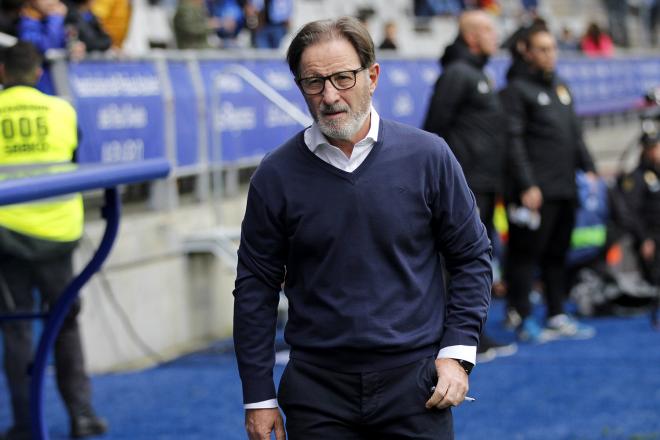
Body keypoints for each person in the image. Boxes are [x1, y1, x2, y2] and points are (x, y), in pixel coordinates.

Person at [233, 16, 492, 440]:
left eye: (342, 77)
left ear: (372, 76)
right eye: (314, 82)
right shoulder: (274, 175)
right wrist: (259, 399)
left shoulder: (429, 156)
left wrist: (457, 354)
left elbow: (471, 257)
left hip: (416, 387)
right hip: (316, 391)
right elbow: (255, 289)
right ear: (299, 87)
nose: (330, 96)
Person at [0, 41, 107, 440]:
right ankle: (81, 414)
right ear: (39, 73)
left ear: (3, 73)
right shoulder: (61, 110)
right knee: (64, 324)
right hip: (58, 234)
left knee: (16, 331)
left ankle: (26, 423)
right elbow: (77, 157)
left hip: (6, 237)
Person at [423, 10, 516, 361]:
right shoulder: (457, 75)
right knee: (462, 262)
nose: (497, 36)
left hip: (486, 183)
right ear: (473, 36)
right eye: (491, 30)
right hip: (465, 185)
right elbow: (433, 129)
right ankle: (459, 339)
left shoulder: (478, 72)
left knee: (480, 260)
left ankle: (475, 334)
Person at [500, 26, 598, 342]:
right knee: (526, 256)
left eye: (553, 48)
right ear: (527, 52)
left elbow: (574, 133)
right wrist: (527, 184)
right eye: (542, 49)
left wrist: (590, 168)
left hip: (565, 187)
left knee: (558, 254)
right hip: (535, 192)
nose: (549, 54)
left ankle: (557, 312)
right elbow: (512, 141)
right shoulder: (516, 90)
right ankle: (523, 316)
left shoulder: (561, 87)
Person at [617, 127, 660, 326]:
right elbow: (631, 213)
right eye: (652, 148)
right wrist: (644, 239)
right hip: (650, 237)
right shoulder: (636, 178)